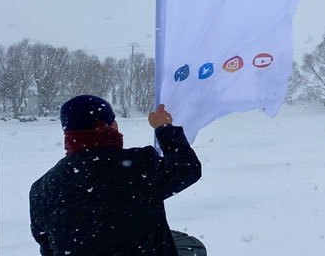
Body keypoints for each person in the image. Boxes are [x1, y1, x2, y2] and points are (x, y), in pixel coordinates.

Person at [30, 95, 202, 256]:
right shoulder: (139, 164)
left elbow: (48, 247)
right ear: (110, 126)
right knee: (193, 248)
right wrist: (164, 128)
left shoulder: (42, 188)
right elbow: (188, 168)